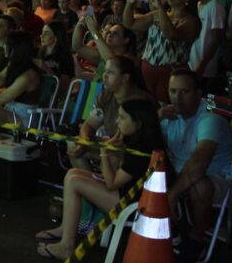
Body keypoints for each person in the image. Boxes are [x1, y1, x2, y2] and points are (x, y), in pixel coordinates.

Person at [36, 99, 167, 260]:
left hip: (133, 206)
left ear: (138, 123)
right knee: (72, 174)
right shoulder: (136, 140)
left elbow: (112, 183)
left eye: (122, 118)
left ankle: (67, 246)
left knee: (74, 181)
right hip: (126, 194)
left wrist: (105, 152)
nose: (117, 121)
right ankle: (65, 230)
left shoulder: (141, 150)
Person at [160, 68, 232, 261]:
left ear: (198, 94)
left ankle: (196, 239)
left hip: (216, 177)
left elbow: (199, 164)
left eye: (184, 92)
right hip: (181, 174)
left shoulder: (210, 117)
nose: (177, 98)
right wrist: (155, 119)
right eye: (173, 91)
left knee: (198, 184)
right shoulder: (167, 114)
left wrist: (172, 194)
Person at [125, 0, 201, 103]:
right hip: (147, 69)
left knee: (165, 107)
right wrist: (129, 4)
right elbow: (129, 23)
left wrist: (160, 6)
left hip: (170, 73)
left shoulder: (191, 21)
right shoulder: (158, 14)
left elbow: (171, 34)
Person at [68, 55, 154, 169]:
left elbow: (122, 141)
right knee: (73, 144)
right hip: (111, 145)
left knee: (111, 156)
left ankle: (99, 185)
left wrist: (103, 145)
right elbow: (89, 125)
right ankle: (88, 180)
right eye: (104, 71)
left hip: (130, 153)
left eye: (110, 73)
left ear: (125, 78)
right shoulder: (106, 95)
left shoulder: (139, 101)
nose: (104, 76)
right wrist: (84, 141)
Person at [190, 0, 227, 90]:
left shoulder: (215, 7)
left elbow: (216, 39)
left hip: (206, 67)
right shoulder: (198, 4)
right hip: (193, 62)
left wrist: (202, 65)